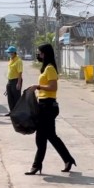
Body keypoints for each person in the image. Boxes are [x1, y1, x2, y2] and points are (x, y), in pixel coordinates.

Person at [24, 43, 76, 175]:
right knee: (50, 136)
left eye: (40, 53)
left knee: (41, 137)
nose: (38, 55)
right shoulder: (46, 68)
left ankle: (36, 165)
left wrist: (38, 87)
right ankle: (68, 159)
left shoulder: (50, 68)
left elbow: (53, 87)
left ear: (45, 54)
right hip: (43, 105)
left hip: (48, 106)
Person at [5, 46, 23, 115]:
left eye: (10, 52)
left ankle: (18, 112)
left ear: (14, 53)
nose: (9, 54)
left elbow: (20, 72)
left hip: (16, 80)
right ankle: (12, 111)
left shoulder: (18, 61)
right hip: (10, 81)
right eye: (9, 52)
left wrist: (18, 83)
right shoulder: (11, 59)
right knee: (10, 97)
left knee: (16, 97)